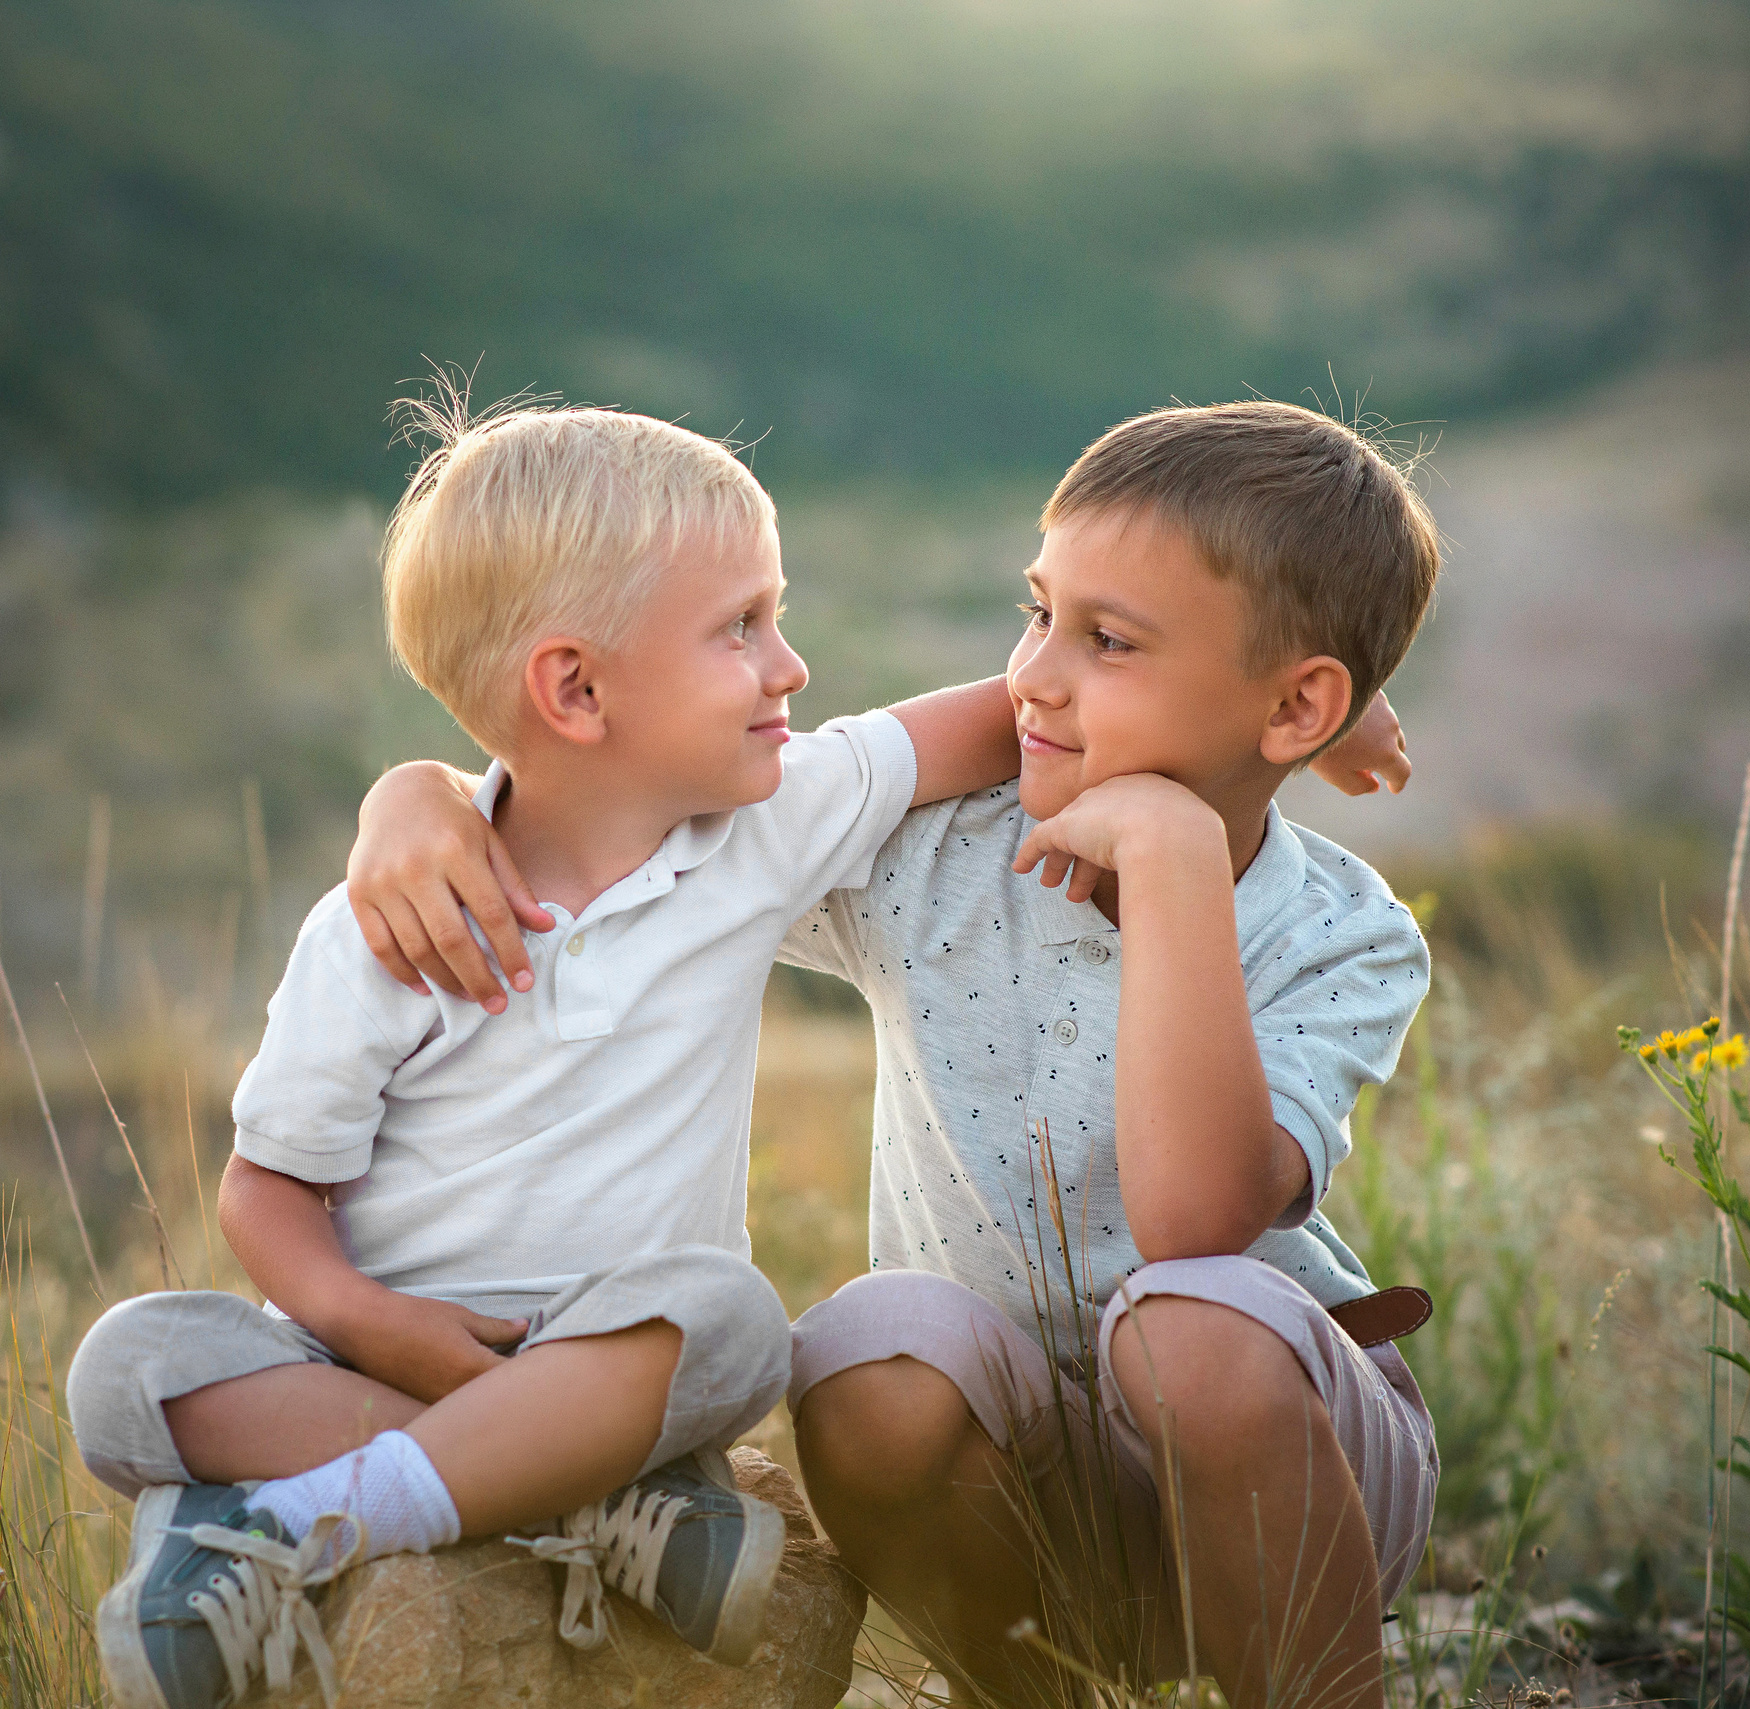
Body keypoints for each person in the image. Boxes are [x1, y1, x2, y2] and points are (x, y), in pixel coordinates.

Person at [346, 399, 1439, 1709]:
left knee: (1194, 1329)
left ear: (1297, 700)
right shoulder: (931, 857)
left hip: (1293, 1478)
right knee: (867, 1349)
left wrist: (1175, 856)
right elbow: (643, 807)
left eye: (1107, 640)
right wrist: (422, 800)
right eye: (1038, 613)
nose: (1035, 672)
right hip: (1038, 1497)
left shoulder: (1342, 932)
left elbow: (1193, 1219)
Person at [69, 390, 1046, 1709]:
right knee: (128, 1370)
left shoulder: (760, 827)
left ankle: (299, 1523)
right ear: (576, 688)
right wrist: (374, 1320)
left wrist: (1264, 698)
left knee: (734, 1321)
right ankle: (577, 1502)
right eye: (742, 626)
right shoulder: (385, 928)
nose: (791, 665)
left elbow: (1001, 722)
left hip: (624, 1360)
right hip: (364, 1367)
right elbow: (269, 1189)